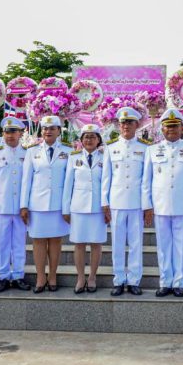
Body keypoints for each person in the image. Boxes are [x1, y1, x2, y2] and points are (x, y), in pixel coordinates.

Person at [143, 109, 183, 297]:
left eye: (175, 126)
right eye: (168, 127)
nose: (171, 130)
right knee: (163, 247)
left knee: (180, 246)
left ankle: (178, 283)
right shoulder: (152, 150)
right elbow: (146, 181)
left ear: (182, 128)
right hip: (160, 205)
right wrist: (147, 206)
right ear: (162, 129)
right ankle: (165, 282)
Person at [102, 106, 151, 297]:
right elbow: (106, 178)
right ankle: (119, 280)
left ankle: (133, 280)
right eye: (123, 122)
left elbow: (146, 180)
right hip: (116, 202)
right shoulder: (111, 148)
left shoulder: (145, 148)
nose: (126, 126)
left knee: (136, 243)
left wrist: (147, 205)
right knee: (117, 243)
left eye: (130, 122)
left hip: (137, 202)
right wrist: (104, 202)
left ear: (137, 125)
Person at [21, 115, 71, 292]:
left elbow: (69, 181)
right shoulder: (32, 151)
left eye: (52, 128)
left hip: (58, 204)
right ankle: (40, 277)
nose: (48, 131)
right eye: (45, 128)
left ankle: (53, 275)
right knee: (39, 241)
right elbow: (26, 180)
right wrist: (23, 205)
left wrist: (68, 207)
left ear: (59, 131)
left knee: (56, 240)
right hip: (37, 204)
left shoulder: (68, 151)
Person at [0, 116, 32, 293]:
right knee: (2, 244)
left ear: (20, 134)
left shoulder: (27, 154)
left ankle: (18, 275)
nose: (10, 135)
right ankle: (3, 276)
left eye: (14, 132)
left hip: (21, 208)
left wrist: (27, 205)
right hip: (1, 207)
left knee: (19, 243)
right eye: (6, 132)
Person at [63, 124, 107, 294]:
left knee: (96, 244)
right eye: (86, 137)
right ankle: (81, 277)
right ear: (81, 140)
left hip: (98, 208)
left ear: (98, 140)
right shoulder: (73, 157)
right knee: (79, 244)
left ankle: (92, 277)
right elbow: (68, 185)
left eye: (93, 137)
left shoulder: (105, 157)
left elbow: (107, 183)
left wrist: (107, 206)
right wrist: (65, 209)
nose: (89, 140)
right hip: (78, 207)